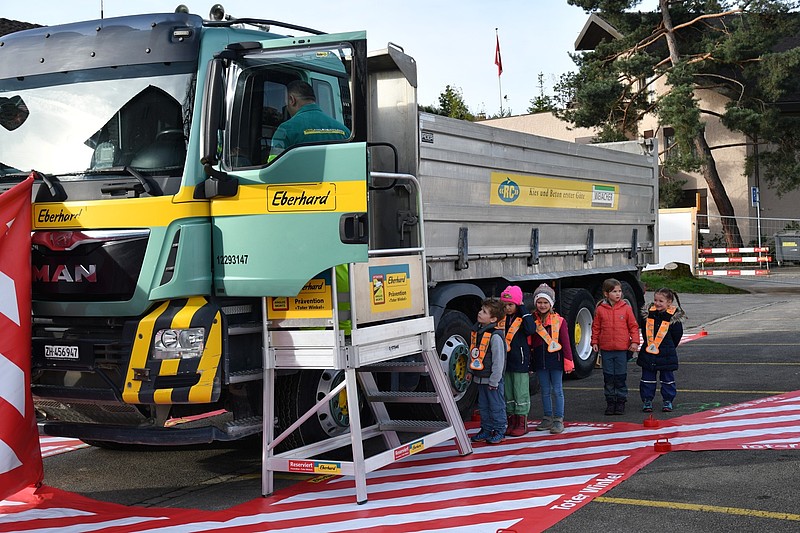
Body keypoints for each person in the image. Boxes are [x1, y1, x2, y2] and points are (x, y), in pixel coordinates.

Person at [529, 283, 574, 434]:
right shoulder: (532, 321)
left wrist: (568, 361)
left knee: (557, 390)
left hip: (556, 360)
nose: (542, 305)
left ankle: (558, 419)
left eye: (545, 302)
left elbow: (566, 343)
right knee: (545, 390)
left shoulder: (559, 321)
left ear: (551, 304)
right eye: (539, 302)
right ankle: (547, 417)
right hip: (540, 361)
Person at [591, 279, 640, 415]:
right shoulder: (600, 309)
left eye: (619, 291)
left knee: (620, 376)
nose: (618, 294)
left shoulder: (626, 308)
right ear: (606, 294)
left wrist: (635, 342)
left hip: (621, 349)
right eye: (614, 291)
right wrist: (594, 342)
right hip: (606, 349)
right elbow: (596, 327)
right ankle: (610, 401)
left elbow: (633, 327)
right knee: (608, 377)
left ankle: (621, 401)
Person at [268, 80, 350, 160]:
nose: (287, 107)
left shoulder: (285, 129)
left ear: (292, 100)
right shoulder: (344, 131)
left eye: (286, 103)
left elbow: (273, 168)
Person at [637, 287, 685, 413]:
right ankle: (647, 400)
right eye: (655, 300)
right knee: (647, 379)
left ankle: (668, 400)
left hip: (666, 354)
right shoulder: (648, 315)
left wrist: (667, 347)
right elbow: (644, 331)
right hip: (648, 353)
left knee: (667, 380)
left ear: (669, 302)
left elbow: (677, 336)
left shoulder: (674, 319)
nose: (657, 303)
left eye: (661, 301)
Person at [469, 297, 508, 445]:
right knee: (483, 407)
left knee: (496, 406)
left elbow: (499, 361)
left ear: (493, 319)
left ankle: (499, 430)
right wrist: (470, 371)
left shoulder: (495, 336)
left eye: (484, 312)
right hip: (480, 378)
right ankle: (486, 429)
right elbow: (473, 352)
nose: (480, 313)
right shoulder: (477, 332)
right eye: (481, 310)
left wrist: (494, 380)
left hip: (492, 381)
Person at [499, 285, 536, 437]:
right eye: (505, 305)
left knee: (520, 391)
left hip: (520, 360)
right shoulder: (502, 319)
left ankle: (522, 422)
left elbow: (531, 329)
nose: (507, 308)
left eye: (511, 305)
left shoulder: (522, 317)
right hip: (506, 361)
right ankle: (511, 420)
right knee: (508, 391)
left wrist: (523, 309)